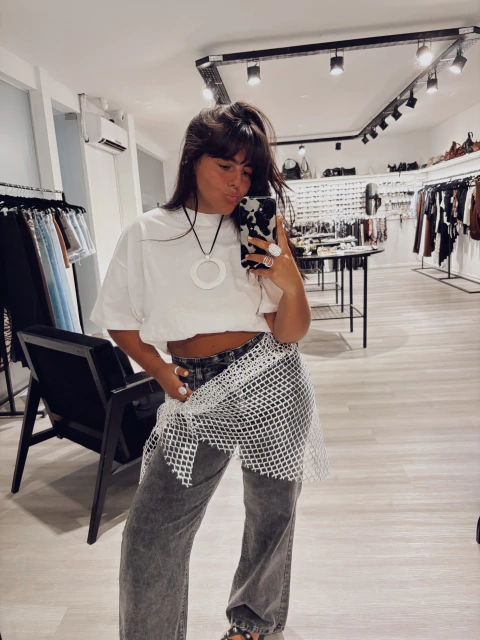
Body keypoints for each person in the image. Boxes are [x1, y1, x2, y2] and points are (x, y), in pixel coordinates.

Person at [90, 101, 330, 640]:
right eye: (226, 166)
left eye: (248, 170)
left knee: (271, 515)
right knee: (151, 533)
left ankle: (254, 626)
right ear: (193, 160)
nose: (237, 181)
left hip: (271, 375)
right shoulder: (147, 232)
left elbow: (290, 331)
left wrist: (289, 278)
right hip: (194, 388)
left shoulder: (257, 227)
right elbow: (118, 319)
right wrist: (158, 370)